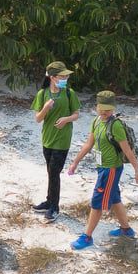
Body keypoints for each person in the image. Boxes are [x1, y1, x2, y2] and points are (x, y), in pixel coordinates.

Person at [66, 91, 138, 250]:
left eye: (107, 109)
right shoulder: (96, 121)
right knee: (114, 198)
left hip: (111, 169)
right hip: (101, 168)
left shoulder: (116, 125)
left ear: (113, 108)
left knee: (97, 202)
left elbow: (127, 150)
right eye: (101, 108)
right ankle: (126, 229)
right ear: (96, 107)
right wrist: (75, 163)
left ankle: (87, 237)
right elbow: (88, 144)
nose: (104, 112)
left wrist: (137, 171)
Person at [31, 62, 81, 220]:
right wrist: (46, 108)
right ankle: (49, 201)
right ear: (52, 78)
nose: (65, 78)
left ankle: (54, 207)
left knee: (54, 172)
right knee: (50, 172)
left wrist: (66, 119)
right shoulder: (42, 94)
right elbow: (38, 119)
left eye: (66, 76)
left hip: (63, 140)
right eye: (62, 76)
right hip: (47, 139)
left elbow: (76, 114)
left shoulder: (69, 93)